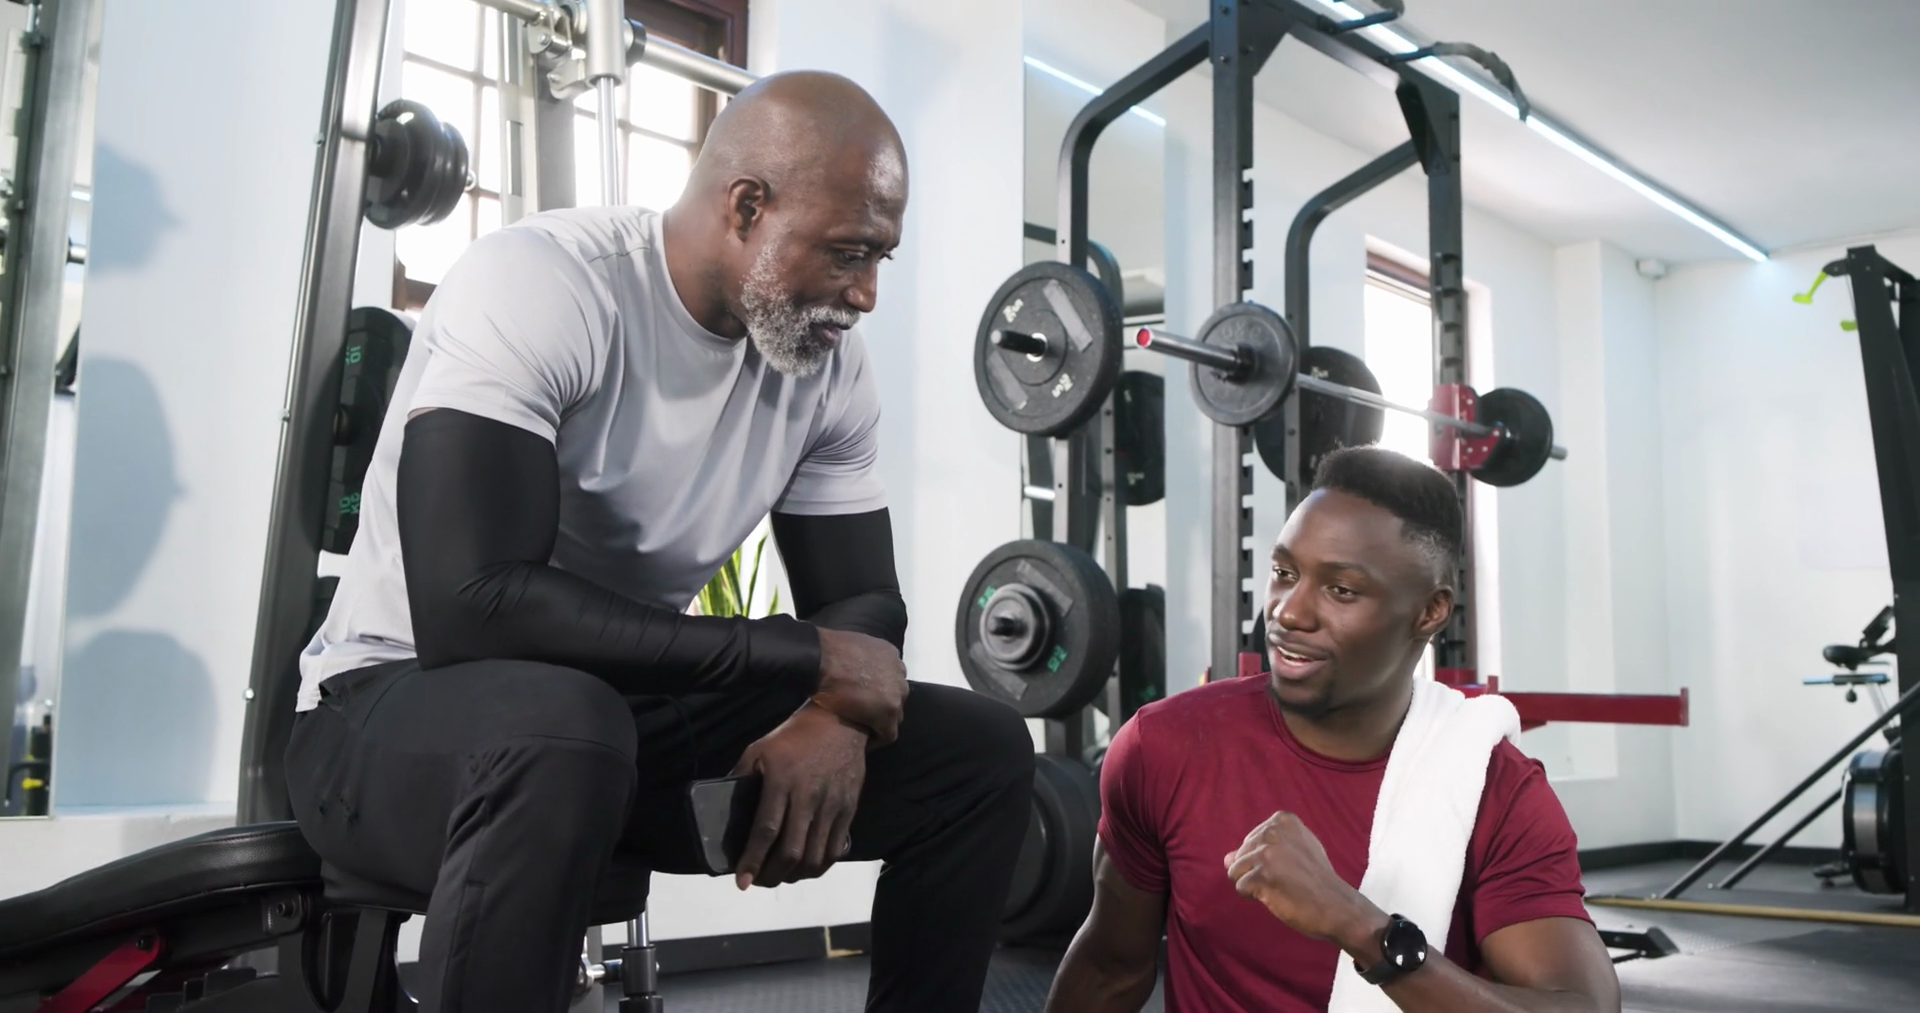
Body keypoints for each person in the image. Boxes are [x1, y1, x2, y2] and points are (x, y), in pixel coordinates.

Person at [283, 71, 1034, 1013]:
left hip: (615, 728)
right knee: (567, 728)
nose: (867, 293)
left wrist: (833, 716)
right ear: (747, 207)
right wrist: (806, 658)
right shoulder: (548, 283)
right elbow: (473, 605)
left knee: (978, 752)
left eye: (880, 256)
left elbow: (863, 606)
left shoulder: (827, 365)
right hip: (389, 712)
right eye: (848, 252)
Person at [1046, 447, 1620, 1012]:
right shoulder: (1164, 748)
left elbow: (1582, 1007)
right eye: (1284, 573)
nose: (1288, 612)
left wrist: (1358, 925)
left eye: (1341, 590)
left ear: (1430, 612)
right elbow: (1109, 970)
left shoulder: (1494, 790)